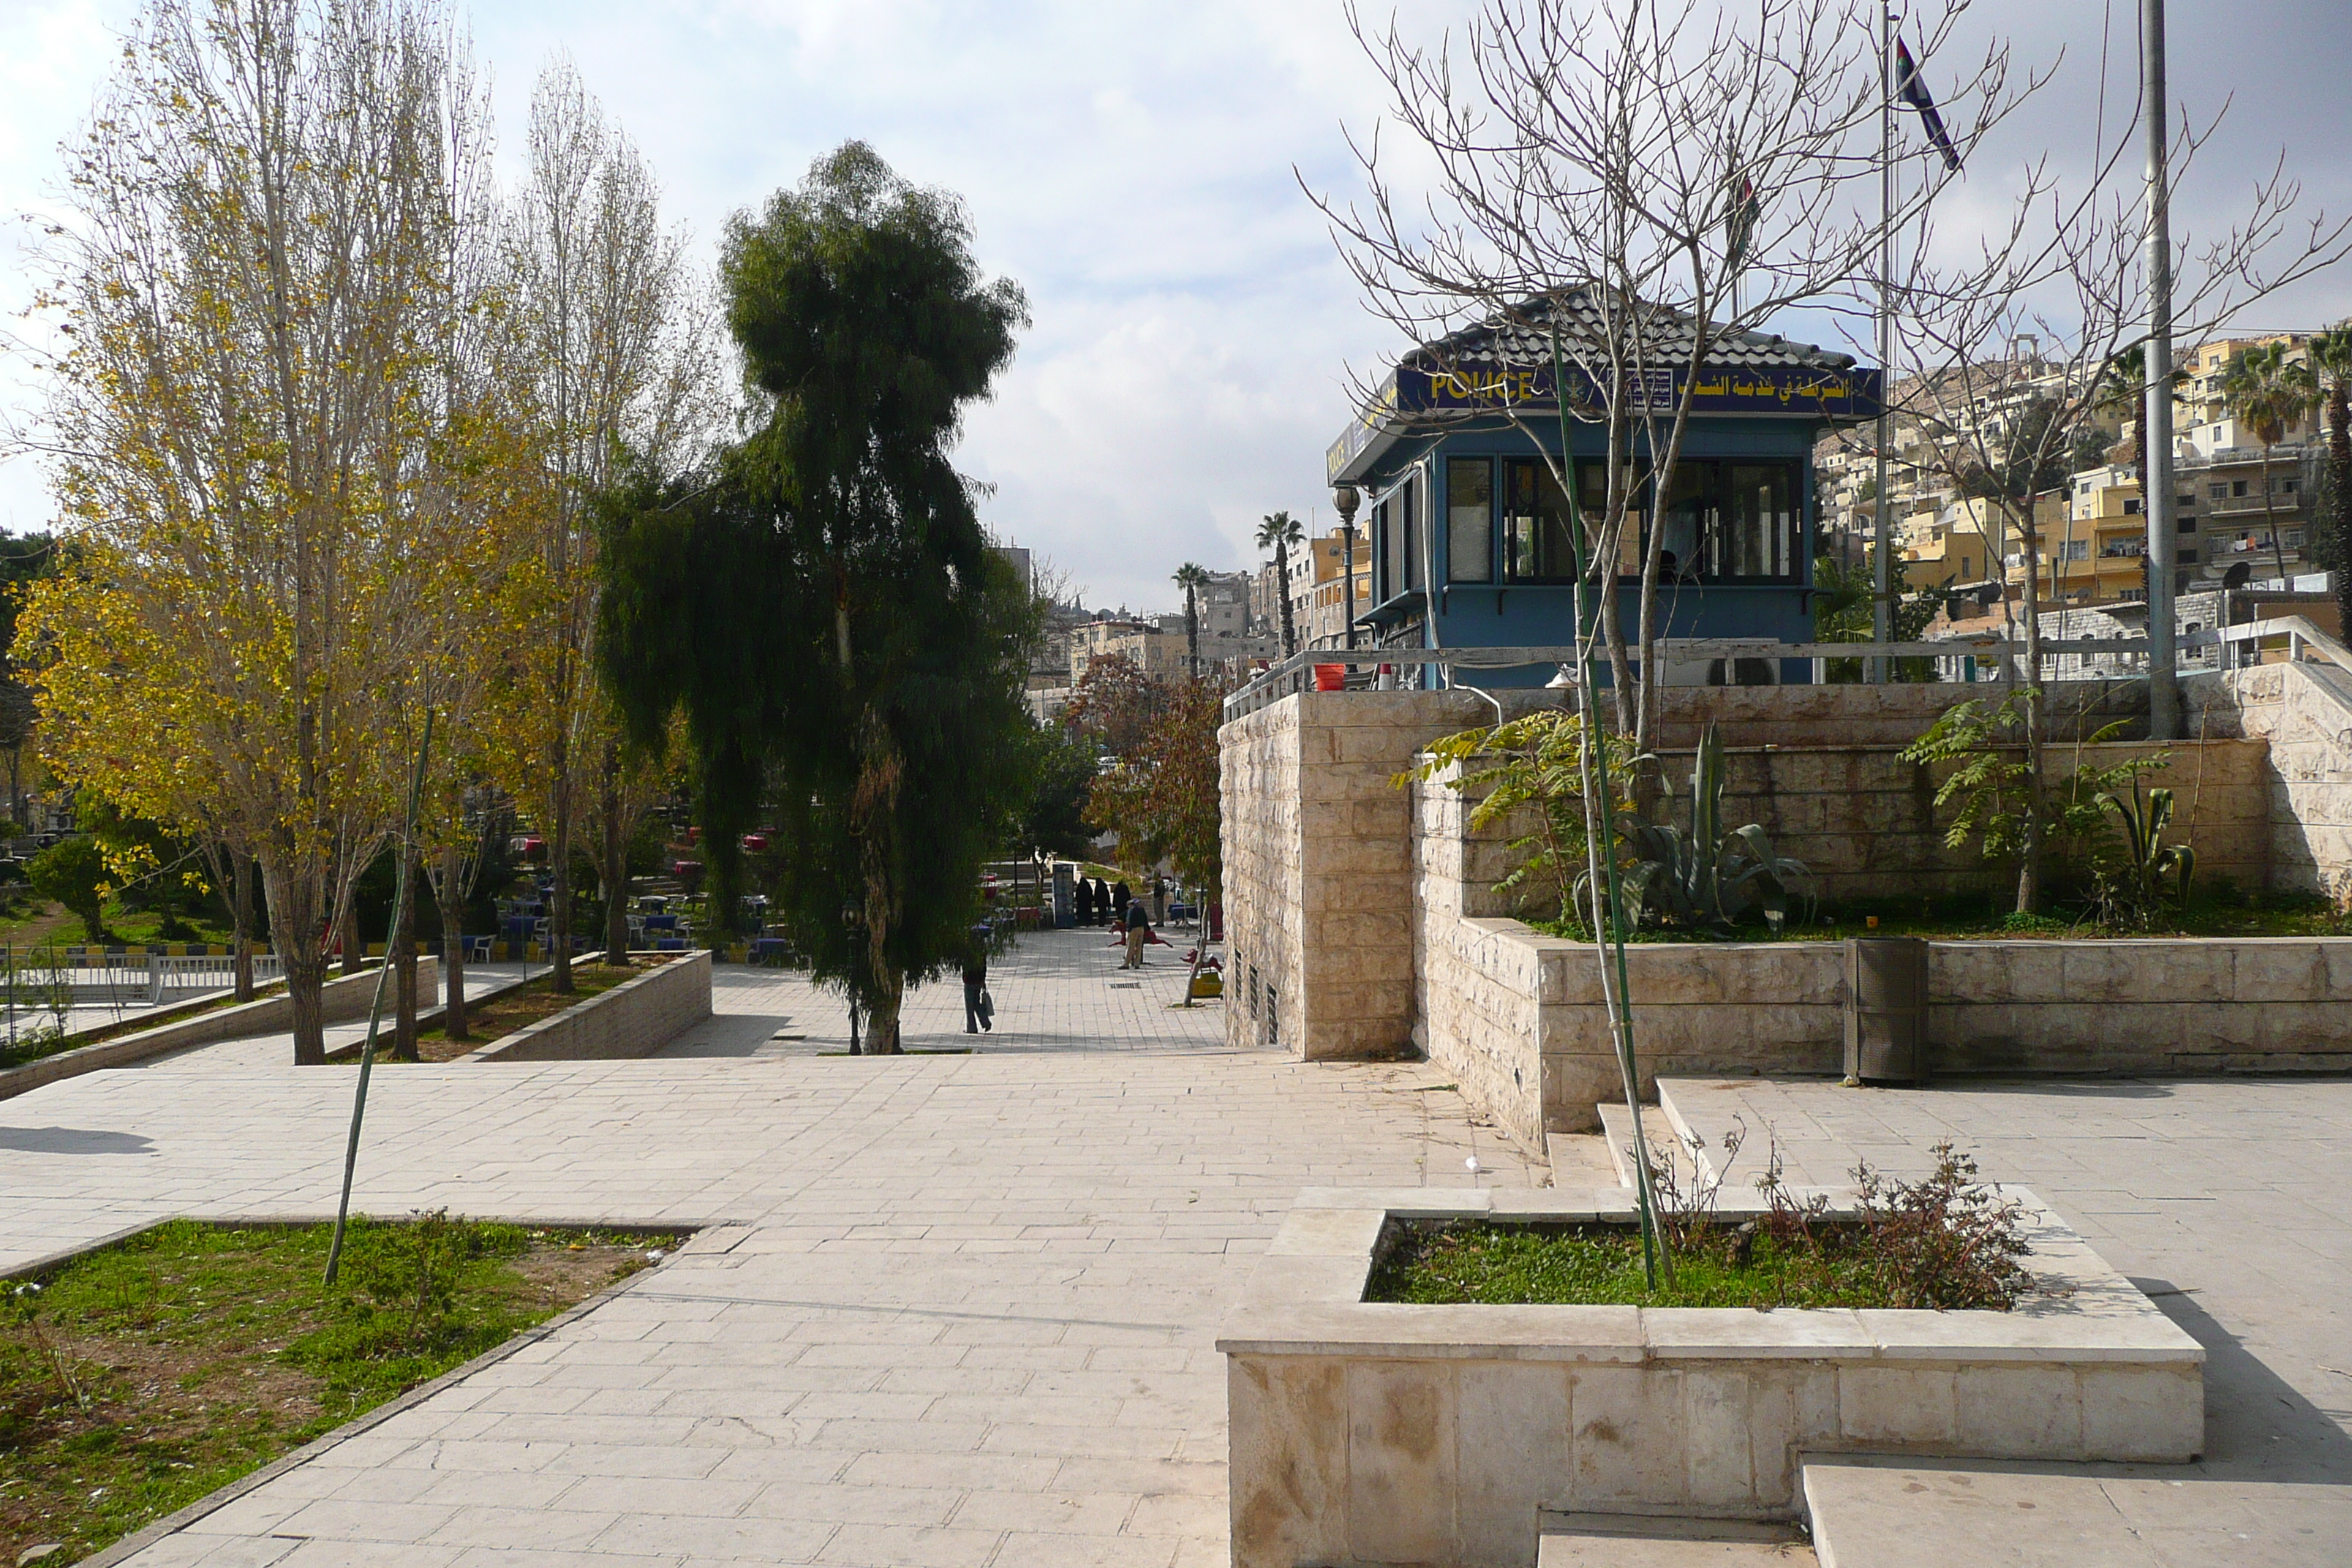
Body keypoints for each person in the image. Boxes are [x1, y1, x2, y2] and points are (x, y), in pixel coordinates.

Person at [962, 926, 992, 1034]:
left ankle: (972, 1028)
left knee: (969, 1006)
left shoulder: (968, 951)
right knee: (976, 1003)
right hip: (979, 981)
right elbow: (984, 967)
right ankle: (985, 1022)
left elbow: (965, 966)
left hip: (969, 981)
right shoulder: (981, 951)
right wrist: (983, 980)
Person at [1123, 896, 1150, 969]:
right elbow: (1145, 920)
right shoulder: (1141, 910)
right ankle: (1137, 963)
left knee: (1130, 947)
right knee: (1139, 947)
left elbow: (1129, 920)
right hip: (1141, 929)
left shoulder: (1131, 910)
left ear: (1130, 905)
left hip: (1133, 929)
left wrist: (1128, 929)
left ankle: (1126, 964)